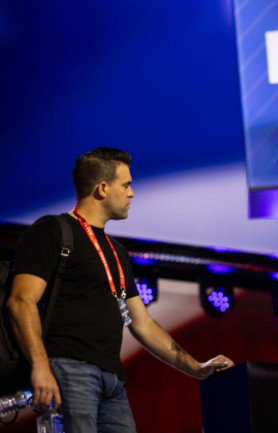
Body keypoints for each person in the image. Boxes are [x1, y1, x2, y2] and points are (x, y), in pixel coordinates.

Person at [6, 147, 233, 432]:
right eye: (126, 185)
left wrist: (197, 368)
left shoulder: (117, 252)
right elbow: (20, 301)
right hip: (69, 371)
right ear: (102, 188)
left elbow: (142, 323)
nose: (131, 193)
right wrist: (39, 367)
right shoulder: (52, 230)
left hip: (113, 383)